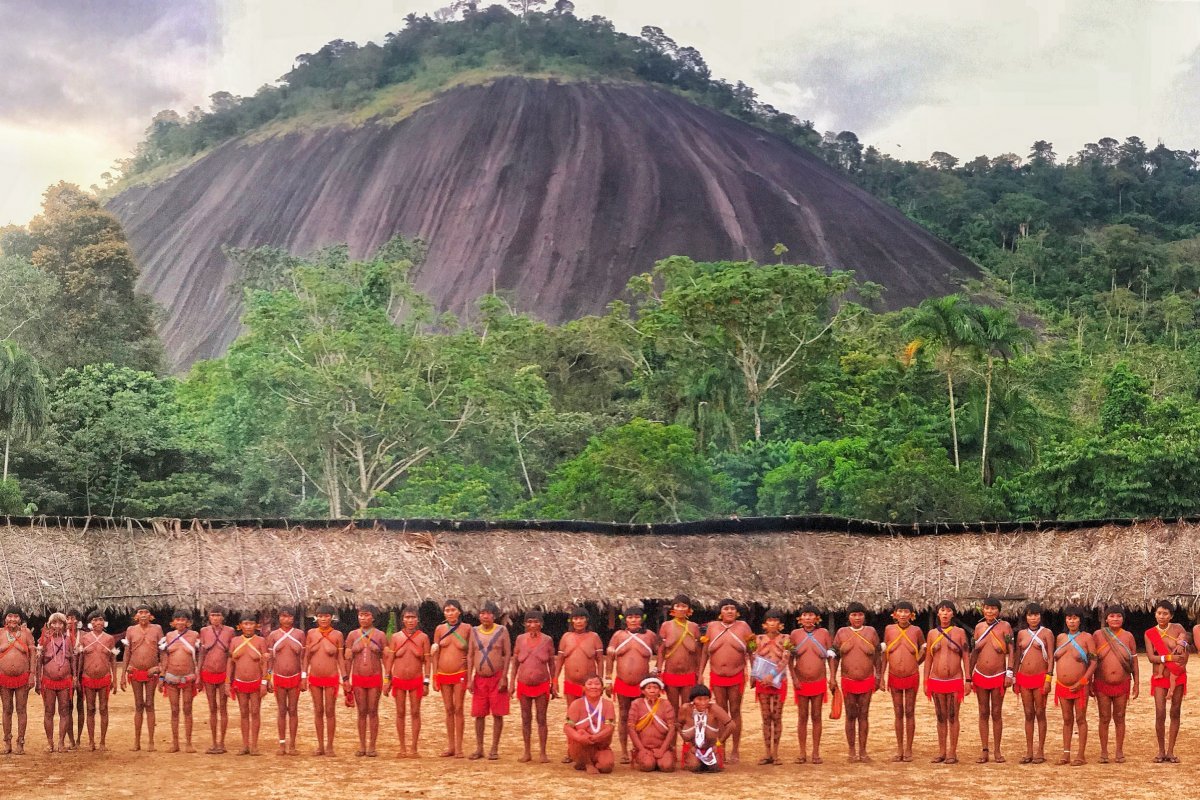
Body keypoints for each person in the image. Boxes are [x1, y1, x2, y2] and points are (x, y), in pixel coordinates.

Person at [700, 598, 752, 764]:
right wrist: (700, 673)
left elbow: (751, 651)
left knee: (735, 710)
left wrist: (755, 672)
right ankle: (720, 746)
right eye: (726, 608)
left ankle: (735, 749)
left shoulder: (743, 627)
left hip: (736, 674)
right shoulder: (712, 627)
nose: (729, 611)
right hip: (717, 675)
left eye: (732, 609)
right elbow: (705, 652)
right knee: (721, 712)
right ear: (720, 612)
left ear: (737, 612)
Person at [605, 606, 658, 764]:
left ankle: (641, 748)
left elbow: (662, 652)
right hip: (622, 683)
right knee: (623, 716)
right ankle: (623, 750)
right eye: (630, 617)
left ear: (642, 619)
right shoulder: (618, 636)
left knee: (642, 716)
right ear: (624, 619)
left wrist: (657, 671)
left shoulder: (650, 636)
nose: (634, 620)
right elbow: (609, 657)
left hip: (643, 685)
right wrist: (608, 679)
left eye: (637, 617)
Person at [830, 601, 881, 763]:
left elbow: (878, 656)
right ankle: (851, 750)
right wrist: (832, 677)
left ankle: (863, 751)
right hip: (848, 680)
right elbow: (834, 656)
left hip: (867, 680)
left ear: (864, 616)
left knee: (864, 715)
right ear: (848, 617)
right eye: (853, 615)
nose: (857, 618)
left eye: (860, 614)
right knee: (850, 715)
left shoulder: (871, 632)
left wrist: (879, 675)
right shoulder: (842, 633)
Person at [924, 599, 969, 764]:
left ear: (952, 614)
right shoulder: (931, 634)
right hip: (936, 679)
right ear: (938, 613)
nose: (945, 614)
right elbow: (928, 658)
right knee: (940, 716)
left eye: (948, 611)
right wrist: (925, 681)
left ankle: (952, 752)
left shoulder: (959, 633)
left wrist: (968, 680)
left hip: (955, 679)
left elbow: (965, 656)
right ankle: (941, 751)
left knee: (952, 715)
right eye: (942, 611)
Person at [969, 596, 1014, 764]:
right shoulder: (979, 627)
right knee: (983, 712)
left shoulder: (1005, 627)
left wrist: (1010, 673)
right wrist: (968, 675)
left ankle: (997, 750)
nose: (990, 611)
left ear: (998, 611)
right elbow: (974, 652)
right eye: (987, 608)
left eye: (993, 608)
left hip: (998, 674)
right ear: (983, 609)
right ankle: (984, 749)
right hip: (980, 674)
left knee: (996, 712)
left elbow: (1011, 649)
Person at [1093, 604, 1138, 764]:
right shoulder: (1098, 635)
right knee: (1104, 717)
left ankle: (1119, 751)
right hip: (1101, 683)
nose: (1115, 619)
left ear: (1123, 619)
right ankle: (1104, 751)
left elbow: (1134, 661)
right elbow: (1091, 660)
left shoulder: (1128, 636)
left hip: (1122, 682)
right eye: (1112, 616)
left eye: (1118, 616)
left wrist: (1136, 683)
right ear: (1106, 618)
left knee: (1120, 717)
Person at [1145, 598, 1188, 763]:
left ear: (1171, 616)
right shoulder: (1149, 633)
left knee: (1175, 711)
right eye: (1159, 613)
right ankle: (1161, 750)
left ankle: (1171, 751)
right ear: (1155, 614)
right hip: (1160, 676)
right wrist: (1170, 656)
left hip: (1177, 674)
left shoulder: (1178, 628)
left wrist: (1182, 643)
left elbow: (1186, 644)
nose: (1161, 616)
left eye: (1165, 614)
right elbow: (1151, 657)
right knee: (1160, 712)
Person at [789, 604, 833, 764]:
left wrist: (832, 677)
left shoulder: (824, 634)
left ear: (817, 618)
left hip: (818, 681)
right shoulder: (794, 634)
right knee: (802, 716)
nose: (808, 618)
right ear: (800, 619)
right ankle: (802, 752)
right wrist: (793, 678)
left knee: (816, 716)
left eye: (811, 615)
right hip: (801, 682)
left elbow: (830, 656)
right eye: (805, 615)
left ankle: (815, 752)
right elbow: (789, 658)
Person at [467, 601, 511, 761]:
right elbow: (471, 654)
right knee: (479, 714)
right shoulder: (474, 631)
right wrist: (469, 678)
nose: (485, 616)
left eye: (488, 613)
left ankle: (494, 748)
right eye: (482, 613)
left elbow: (507, 655)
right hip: (479, 679)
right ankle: (479, 748)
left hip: (497, 677)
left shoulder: (502, 630)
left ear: (494, 615)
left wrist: (504, 676)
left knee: (497, 714)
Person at [882, 600, 925, 763]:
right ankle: (899, 748)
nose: (903, 615)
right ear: (894, 614)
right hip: (894, 676)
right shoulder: (889, 630)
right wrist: (881, 676)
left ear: (912, 615)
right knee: (898, 712)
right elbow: (885, 654)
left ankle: (909, 749)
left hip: (911, 675)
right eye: (900, 611)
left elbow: (925, 650)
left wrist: (916, 663)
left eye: (906, 612)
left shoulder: (917, 631)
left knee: (909, 711)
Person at [511, 609, 556, 763]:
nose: (533, 625)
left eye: (536, 621)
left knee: (541, 718)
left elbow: (551, 663)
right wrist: (512, 683)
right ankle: (527, 751)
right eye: (529, 622)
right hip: (523, 684)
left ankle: (543, 752)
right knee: (525, 718)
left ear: (541, 624)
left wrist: (553, 684)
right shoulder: (519, 639)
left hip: (542, 684)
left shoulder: (547, 640)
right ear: (525, 624)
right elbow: (515, 662)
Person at [1012, 602, 1055, 764]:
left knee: (1040, 713)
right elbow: (1017, 656)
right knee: (1028, 714)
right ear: (1026, 617)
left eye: (1036, 615)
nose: (1033, 618)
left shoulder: (1047, 633)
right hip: (1024, 677)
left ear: (1040, 617)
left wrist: (1049, 678)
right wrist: (1015, 677)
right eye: (1030, 615)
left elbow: (1050, 657)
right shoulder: (1022, 634)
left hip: (1040, 677)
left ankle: (1040, 751)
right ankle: (1029, 751)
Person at [1053, 605, 1096, 766]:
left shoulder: (1087, 638)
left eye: (1075, 618)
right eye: (1069, 618)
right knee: (1066, 719)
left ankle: (1080, 754)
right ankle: (1066, 753)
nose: (1072, 621)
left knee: (1080, 718)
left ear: (1080, 620)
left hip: (1080, 686)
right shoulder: (1060, 638)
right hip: (1062, 685)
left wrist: (1083, 681)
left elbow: (1093, 662)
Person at [386, 605, 429, 758]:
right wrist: (387, 679)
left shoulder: (423, 638)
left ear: (417, 620)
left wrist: (426, 681)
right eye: (407, 617)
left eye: (413, 617)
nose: (410, 620)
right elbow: (390, 659)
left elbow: (427, 661)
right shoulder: (396, 637)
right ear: (402, 620)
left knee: (415, 712)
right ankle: (402, 747)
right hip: (399, 680)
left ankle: (414, 747)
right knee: (400, 712)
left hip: (416, 680)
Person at [344, 604, 387, 758]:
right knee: (361, 711)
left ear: (373, 617)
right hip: (357, 677)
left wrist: (388, 677)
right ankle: (362, 745)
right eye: (361, 615)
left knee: (373, 711)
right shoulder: (352, 636)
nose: (363, 618)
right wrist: (346, 679)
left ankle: (372, 746)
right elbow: (347, 659)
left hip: (375, 676)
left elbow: (387, 657)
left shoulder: (380, 636)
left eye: (366, 615)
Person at [303, 604, 344, 756]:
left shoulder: (337, 635)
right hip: (315, 677)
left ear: (331, 617)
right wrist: (303, 675)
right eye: (320, 616)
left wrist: (345, 677)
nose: (323, 619)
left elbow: (340, 658)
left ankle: (330, 746)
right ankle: (320, 745)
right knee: (318, 710)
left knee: (330, 711)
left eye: (326, 616)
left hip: (331, 677)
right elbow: (306, 657)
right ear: (316, 618)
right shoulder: (311, 634)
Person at [120, 604, 163, 752]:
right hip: (135, 671)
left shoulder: (157, 629)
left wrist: (160, 669)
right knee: (138, 705)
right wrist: (123, 674)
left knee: (150, 704)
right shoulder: (131, 630)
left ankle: (151, 742)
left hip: (152, 672)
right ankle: (136, 741)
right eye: (140, 612)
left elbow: (163, 651)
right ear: (136, 616)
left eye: (146, 612)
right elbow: (127, 653)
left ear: (151, 616)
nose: (143, 615)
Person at [433, 599, 472, 758]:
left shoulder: (467, 629)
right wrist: (434, 674)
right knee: (448, 709)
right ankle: (450, 746)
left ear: (459, 612)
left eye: (453, 610)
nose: (450, 613)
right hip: (443, 674)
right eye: (447, 610)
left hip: (460, 673)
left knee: (458, 708)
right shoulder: (440, 629)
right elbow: (435, 652)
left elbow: (472, 650)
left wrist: (468, 664)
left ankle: (459, 746)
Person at [750, 608, 789, 765]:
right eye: (769, 620)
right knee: (766, 717)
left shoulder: (786, 638)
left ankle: (776, 752)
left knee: (777, 716)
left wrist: (772, 675)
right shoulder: (757, 639)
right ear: (764, 624)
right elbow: (753, 657)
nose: (772, 623)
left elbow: (785, 659)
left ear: (780, 624)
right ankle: (767, 753)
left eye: (776, 620)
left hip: (779, 681)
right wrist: (755, 675)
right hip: (763, 682)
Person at [158, 609, 200, 754]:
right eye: (177, 619)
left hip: (188, 677)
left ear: (188, 622)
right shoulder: (168, 636)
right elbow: (164, 657)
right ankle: (175, 743)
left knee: (187, 709)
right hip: (171, 677)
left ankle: (188, 743)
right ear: (173, 622)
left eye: (183, 619)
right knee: (174, 710)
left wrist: (198, 674)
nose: (180, 622)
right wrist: (162, 676)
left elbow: (199, 657)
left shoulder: (194, 636)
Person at [265, 606, 305, 756]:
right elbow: (269, 660)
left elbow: (303, 658)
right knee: (282, 710)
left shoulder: (300, 634)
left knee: (293, 710)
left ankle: (293, 744)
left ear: (293, 618)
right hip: (279, 677)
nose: (286, 619)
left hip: (295, 677)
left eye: (288, 617)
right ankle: (282, 744)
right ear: (279, 618)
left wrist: (303, 677)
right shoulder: (273, 635)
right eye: (283, 616)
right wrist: (268, 678)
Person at [227, 611, 268, 756]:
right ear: (240, 626)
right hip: (240, 682)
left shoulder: (261, 641)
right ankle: (245, 745)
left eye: (251, 624)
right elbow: (230, 663)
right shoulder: (234, 641)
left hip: (256, 682)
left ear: (256, 626)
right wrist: (227, 682)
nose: (248, 627)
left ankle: (255, 745)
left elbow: (265, 664)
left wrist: (265, 682)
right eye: (245, 624)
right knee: (243, 712)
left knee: (255, 712)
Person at [77, 611, 117, 752]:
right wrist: (77, 677)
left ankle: (102, 742)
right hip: (87, 678)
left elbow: (113, 659)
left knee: (103, 708)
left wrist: (115, 680)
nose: (98, 622)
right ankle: (91, 741)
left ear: (104, 622)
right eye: (95, 620)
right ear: (90, 623)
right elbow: (81, 660)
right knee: (90, 708)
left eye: (100, 620)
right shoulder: (85, 639)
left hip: (104, 677)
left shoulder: (109, 639)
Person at [198, 605, 234, 754]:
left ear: (223, 617)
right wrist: (198, 672)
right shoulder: (204, 631)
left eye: (218, 615)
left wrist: (229, 678)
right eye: (212, 615)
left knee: (223, 707)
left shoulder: (230, 631)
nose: (215, 618)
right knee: (212, 708)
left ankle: (222, 742)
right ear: (209, 617)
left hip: (223, 673)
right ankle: (213, 742)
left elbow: (231, 655)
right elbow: (202, 654)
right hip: (208, 672)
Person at [36, 611, 73, 753]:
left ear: (64, 625)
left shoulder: (68, 640)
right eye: (54, 623)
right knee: (49, 711)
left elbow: (73, 659)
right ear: (49, 625)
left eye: (60, 623)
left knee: (64, 710)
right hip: (48, 681)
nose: (57, 626)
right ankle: (50, 743)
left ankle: (61, 742)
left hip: (65, 681)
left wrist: (74, 677)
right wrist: (38, 681)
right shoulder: (44, 640)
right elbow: (39, 662)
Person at [657, 595, 701, 713]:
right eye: (677, 606)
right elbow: (661, 651)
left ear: (689, 609)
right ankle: (674, 731)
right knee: (673, 708)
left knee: (687, 708)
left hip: (689, 673)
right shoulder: (666, 626)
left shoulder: (694, 627)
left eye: (684, 606)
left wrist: (699, 673)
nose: (681, 609)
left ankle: (685, 731)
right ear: (673, 609)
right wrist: (659, 670)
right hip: (671, 673)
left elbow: (698, 653)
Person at [563, 674, 615, 774]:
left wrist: (596, 737)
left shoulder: (608, 705)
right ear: (584, 687)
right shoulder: (576, 704)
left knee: (606, 766)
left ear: (602, 687)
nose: (593, 687)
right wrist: (579, 737)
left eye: (597, 684)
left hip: (601, 745)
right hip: (581, 746)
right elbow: (567, 727)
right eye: (589, 684)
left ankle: (589, 762)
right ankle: (586, 763)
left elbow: (610, 727)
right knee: (581, 732)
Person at [556, 606, 603, 716]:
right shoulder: (566, 637)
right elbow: (559, 661)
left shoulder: (594, 637)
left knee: (590, 713)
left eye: (581, 618)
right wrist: (554, 680)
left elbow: (600, 661)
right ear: (571, 621)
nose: (579, 622)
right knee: (572, 713)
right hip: (570, 683)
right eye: (575, 619)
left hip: (590, 684)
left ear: (587, 620)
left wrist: (599, 681)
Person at [0, 607, 34, 755]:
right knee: (7, 709)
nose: (12, 619)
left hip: (22, 677)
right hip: (4, 678)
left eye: (16, 616)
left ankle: (20, 742)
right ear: (5, 618)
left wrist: (32, 674)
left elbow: (33, 655)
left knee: (21, 709)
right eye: (10, 616)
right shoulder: (0, 634)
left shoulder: (26, 634)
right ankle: (7, 742)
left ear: (20, 619)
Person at [678, 684, 733, 772]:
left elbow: (731, 725)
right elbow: (678, 725)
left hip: (712, 747)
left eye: (706, 699)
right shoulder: (685, 709)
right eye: (699, 699)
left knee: (715, 768)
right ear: (693, 700)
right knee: (695, 767)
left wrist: (719, 744)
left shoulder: (714, 709)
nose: (703, 703)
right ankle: (694, 759)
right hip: (693, 748)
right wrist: (688, 744)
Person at [628, 676, 676, 772]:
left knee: (667, 767)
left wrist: (662, 750)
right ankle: (648, 758)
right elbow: (631, 728)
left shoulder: (666, 704)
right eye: (649, 688)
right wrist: (641, 749)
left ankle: (661, 758)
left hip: (661, 747)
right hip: (644, 747)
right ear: (643, 691)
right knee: (647, 765)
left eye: (655, 688)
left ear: (660, 691)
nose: (652, 690)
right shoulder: (636, 704)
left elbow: (672, 728)